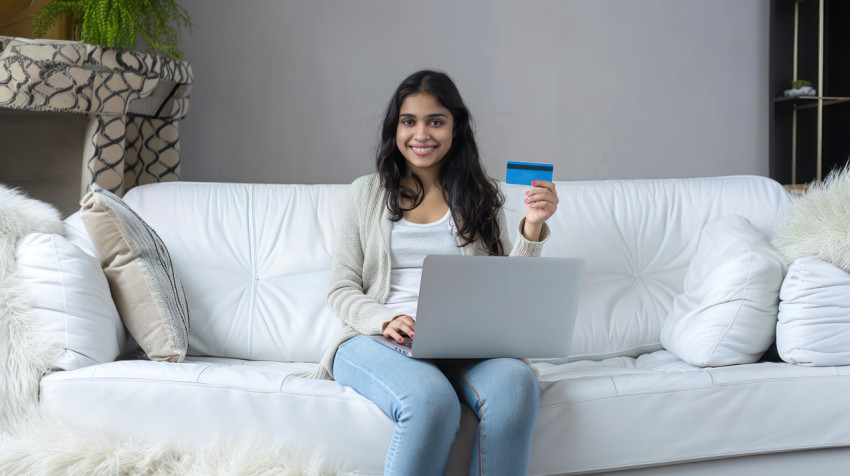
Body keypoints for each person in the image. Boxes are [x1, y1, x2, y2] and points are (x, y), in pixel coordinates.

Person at [315, 69, 559, 475]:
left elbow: (507, 290)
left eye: (436, 121)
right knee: (432, 402)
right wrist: (385, 318)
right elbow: (340, 289)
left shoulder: (479, 195)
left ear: (456, 127)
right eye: (408, 121)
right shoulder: (364, 193)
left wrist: (533, 226)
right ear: (395, 128)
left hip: (463, 342)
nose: (421, 134)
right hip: (376, 339)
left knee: (517, 383)